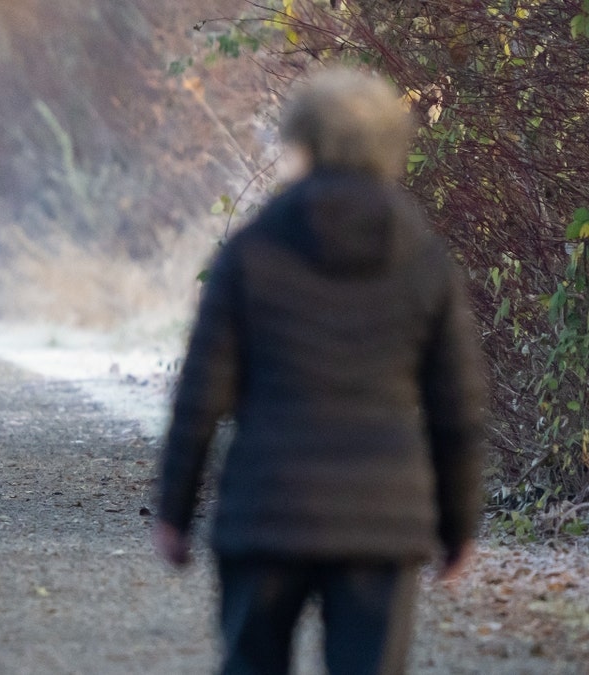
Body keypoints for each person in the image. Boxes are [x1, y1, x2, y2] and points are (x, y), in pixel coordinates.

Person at [153, 67, 487, 675]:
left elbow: (201, 393)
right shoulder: (422, 257)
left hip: (266, 509)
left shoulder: (251, 251)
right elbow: (457, 407)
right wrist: (460, 526)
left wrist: (174, 510)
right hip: (382, 520)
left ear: (300, 145)